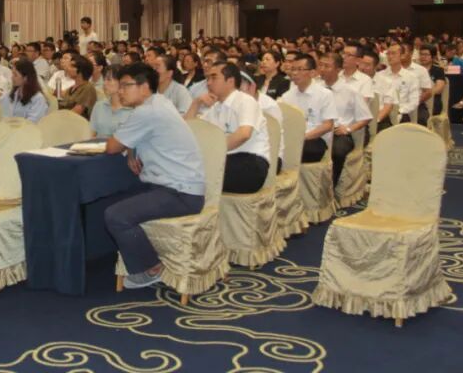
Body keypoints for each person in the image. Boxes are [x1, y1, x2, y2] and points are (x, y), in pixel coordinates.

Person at [103, 63, 206, 289]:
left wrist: (127, 146)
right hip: (176, 186)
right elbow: (131, 140)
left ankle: (151, 268)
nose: (120, 91)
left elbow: (112, 147)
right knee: (115, 196)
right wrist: (132, 150)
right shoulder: (160, 102)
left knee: (115, 215)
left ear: (144, 87)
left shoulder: (147, 112)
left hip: (180, 193)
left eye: (125, 86)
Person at [186, 63, 270, 193]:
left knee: (191, 175)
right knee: (185, 171)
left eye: (214, 78)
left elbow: (244, 134)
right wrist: (196, 103)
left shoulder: (245, 100)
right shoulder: (216, 107)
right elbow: (189, 130)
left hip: (251, 163)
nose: (208, 83)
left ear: (230, 81)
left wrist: (213, 152)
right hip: (225, 159)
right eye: (208, 78)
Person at [318, 53, 371, 185]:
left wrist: (348, 129)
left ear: (338, 69)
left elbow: (365, 117)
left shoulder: (350, 91)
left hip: (339, 133)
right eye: (320, 65)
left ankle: (330, 187)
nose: (322, 69)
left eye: (327, 66)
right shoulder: (315, 88)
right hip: (317, 130)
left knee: (337, 151)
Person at [280, 54, 339, 164]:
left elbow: (328, 125)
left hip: (315, 139)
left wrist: (303, 137)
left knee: (298, 150)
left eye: (300, 69)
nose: (294, 73)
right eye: (293, 69)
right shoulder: (287, 96)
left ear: (312, 73)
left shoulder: (325, 94)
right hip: (292, 138)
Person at [372, 43, 420, 129]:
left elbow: (414, 101)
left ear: (401, 55)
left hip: (402, 113)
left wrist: (399, 110)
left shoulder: (411, 77)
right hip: (382, 113)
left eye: (393, 53)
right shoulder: (379, 76)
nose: (390, 56)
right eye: (388, 53)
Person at [90, 64, 132, 138]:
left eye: (109, 80)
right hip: (97, 144)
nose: (105, 83)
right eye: (104, 79)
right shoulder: (99, 106)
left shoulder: (132, 110)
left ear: (121, 82)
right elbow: (91, 134)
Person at [2, 59, 48, 123]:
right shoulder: (11, 94)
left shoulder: (38, 99)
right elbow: (1, 111)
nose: (12, 77)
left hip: (27, 128)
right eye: (12, 74)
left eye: (15, 75)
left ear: (26, 78)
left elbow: (33, 122)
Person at [58, 55, 97, 120]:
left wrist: (57, 118)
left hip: (76, 123)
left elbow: (76, 113)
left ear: (81, 70)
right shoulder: (72, 88)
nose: (67, 68)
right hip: (64, 120)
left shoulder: (88, 88)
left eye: (71, 66)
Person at [418, 44, 447, 116]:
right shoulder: (415, 70)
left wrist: (424, 95)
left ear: (433, 57)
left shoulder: (438, 70)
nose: (423, 57)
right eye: (421, 54)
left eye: (426, 55)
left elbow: (439, 89)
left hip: (432, 101)